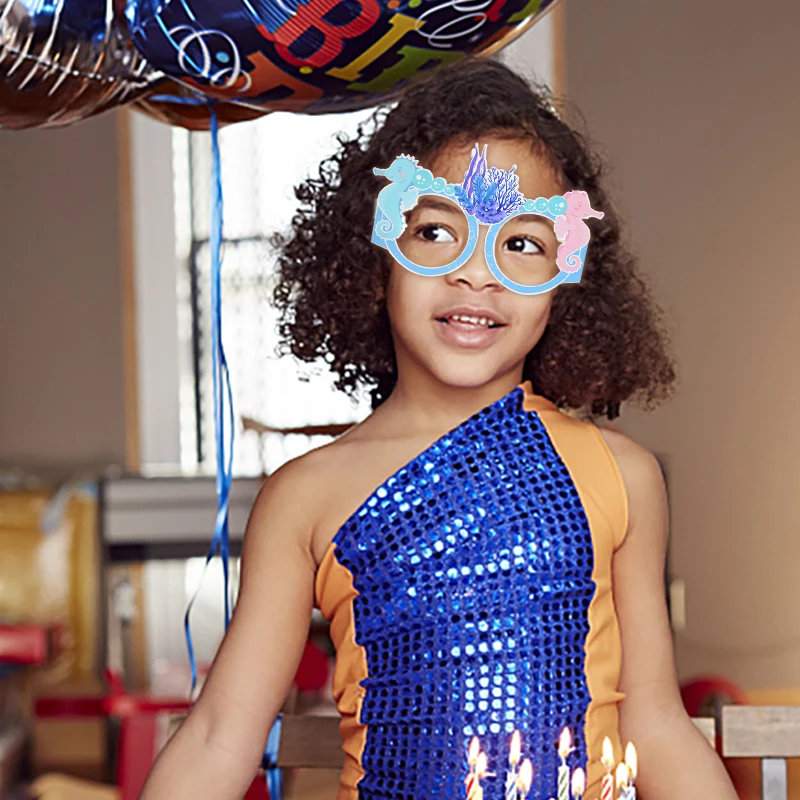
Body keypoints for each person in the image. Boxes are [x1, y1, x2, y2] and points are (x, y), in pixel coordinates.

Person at [140, 58, 737, 800]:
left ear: (565, 275)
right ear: (376, 252)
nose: (476, 273)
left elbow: (657, 722)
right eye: (435, 232)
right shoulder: (305, 496)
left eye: (520, 243)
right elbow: (217, 735)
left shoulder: (624, 476)